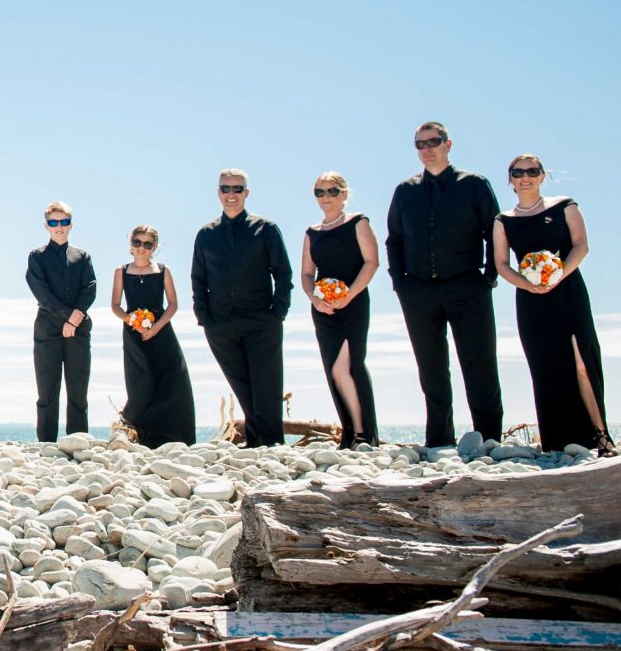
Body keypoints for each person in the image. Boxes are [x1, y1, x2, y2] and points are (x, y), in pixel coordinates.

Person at [386, 121, 503, 447]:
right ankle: (439, 440)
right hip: (419, 291)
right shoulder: (405, 191)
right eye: (420, 144)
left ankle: (490, 439)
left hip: (468, 286)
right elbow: (394, 239)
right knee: (431, 369)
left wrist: (489, 277)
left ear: (448, 145)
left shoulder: (474, 185)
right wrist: (401, 283)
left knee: (479, 364)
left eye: (433, 142)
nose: (427, 149)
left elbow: (494, 232)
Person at [494, 154, 611, 453]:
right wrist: (529, 285)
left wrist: (557, 275)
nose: (525, 176)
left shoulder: (565, 206)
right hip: (532, 300)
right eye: (518, 172)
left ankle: (600, 435)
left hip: (568, 290)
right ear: (510, 179)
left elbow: (581, 246)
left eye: (532, 171)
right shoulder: (503, 221)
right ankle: (557, 442)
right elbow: (502, 265)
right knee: (545, 366)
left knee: (581, 362)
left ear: (543, 176)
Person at [191, 169, 291, 448]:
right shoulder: (206, 235)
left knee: (267, 383)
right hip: (220, 324)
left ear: (247, 192)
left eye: (237, 189)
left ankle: (272, 444)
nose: (231, 194)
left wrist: (278, 312)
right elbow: (198, 279)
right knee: (241, 383)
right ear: (218, 193)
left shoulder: (266, 229)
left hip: (262, 320)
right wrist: (205, 318)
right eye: (226, 189)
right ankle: (256, 440)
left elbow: (283, 273)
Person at [299, 172, 380, 448]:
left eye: (332, 191)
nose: (326, 197)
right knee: (334, 370)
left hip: (353, 305)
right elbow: (307, 274)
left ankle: (364, 433)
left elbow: (371, 262)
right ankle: (351, 434)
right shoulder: (312, 233)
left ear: (344, 194)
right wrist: (315, 299)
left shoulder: (358, 223)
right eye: (320, 192)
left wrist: (349, 296)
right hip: (324, 310)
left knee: (346, 367)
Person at [109, 225, 196, 447]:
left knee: (173, 379)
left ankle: (175, 437)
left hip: (162, 332)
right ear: (131, 243)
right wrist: (133, 322)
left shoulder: (163, 271)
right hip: (133, 333)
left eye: (147, 244)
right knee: (141, 379)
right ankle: (139, 432)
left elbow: (173, 304)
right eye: (137, 242)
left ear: (154, 247)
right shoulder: (121, 271)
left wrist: (156, 327)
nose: (142, 248)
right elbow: (116, 305)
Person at [25, 202, 97, 442]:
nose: (59, 227)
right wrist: (69, 316)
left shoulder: (82, 256)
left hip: (79, 328)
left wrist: (75, 319)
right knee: (47, 389)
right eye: (54, 222)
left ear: (71, 225)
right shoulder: (37, 256)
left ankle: (78, 441)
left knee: (78, 388)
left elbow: (90, 288)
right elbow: (41, 293)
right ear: (46, 226)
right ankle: (46, 444)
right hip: (47, 327)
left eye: (64, 222)